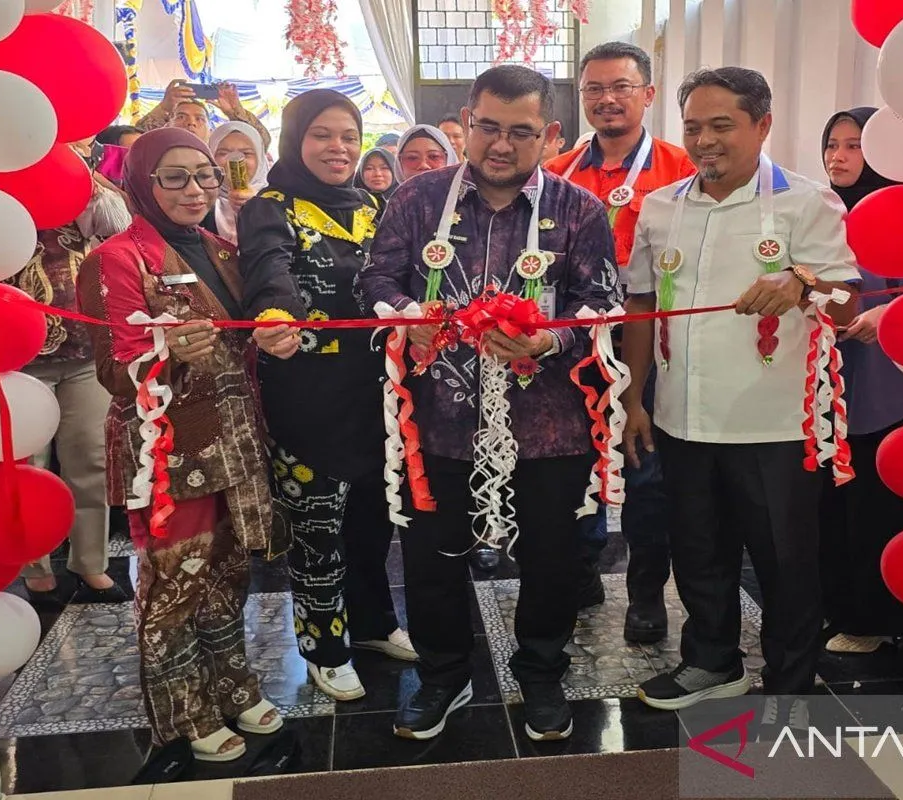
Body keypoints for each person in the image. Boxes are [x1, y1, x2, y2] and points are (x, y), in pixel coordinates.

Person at [359, 64, 620, 743]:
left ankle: (541, 672)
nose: (501, 145)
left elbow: (602, 301)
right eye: (489, 127)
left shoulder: (579, 210)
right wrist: (406, 313)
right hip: (437, 422)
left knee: (552, 559)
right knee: (431, 558)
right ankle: (445, 675)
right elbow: (376, 278)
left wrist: (551, 340)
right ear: (468, 125)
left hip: (549, 426)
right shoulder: (419, 199)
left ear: (549, 134)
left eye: (521, 132)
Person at [623, 68, 860, 721]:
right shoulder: (662, 206)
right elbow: (641, 304)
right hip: (682, 416)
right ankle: (712, 661)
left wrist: (802, 281)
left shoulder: (807, 202)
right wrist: (634, 399)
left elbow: (847, 303)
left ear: (762, 125)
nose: (705, 140)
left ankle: (791, 681)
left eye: (721, 125)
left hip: (774, 424)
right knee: (698, 548)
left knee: (786, 561)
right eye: (693, 127)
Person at [76, 128, 282, 762]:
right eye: (175, 176)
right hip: (170, 449)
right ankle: (184, 712)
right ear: (142, 181)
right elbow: (113, 372)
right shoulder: (116, 259)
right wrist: (166, 353)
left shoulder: (222, 248)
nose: (194, 189)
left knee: (229, 573)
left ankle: (233, 686)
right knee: (176, 582)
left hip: (236, 440)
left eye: (205, 174)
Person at [237, 90, 417, 703]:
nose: (338, 148)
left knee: (372, 519)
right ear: (295, 140)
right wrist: (276, 317)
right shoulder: (269, 208)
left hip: (376, 392)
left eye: (348, 136)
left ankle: (372, 624)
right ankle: (324, 647)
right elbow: (269, 270)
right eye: (321, 135)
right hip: (307, 393)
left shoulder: (374, 205)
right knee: (317, 526)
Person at [545, 42, 695, 639]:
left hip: (651, 345)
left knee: (645, 470)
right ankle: (580, 572)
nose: (607, 99)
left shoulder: (681, 168)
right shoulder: (556, 173)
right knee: (571, 464)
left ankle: (646, 594)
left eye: (621, 87)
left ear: (647, 94)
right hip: (572, 348)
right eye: (594, 89)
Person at [818, 107, 903, 655]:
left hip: (886, 385)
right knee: (835, 501)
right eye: (832, 144)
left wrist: (889, 314)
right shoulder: (823, 211)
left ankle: (877, 619)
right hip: (832, 376)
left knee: (878, 502)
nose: (838, 157)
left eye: (854, 145)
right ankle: (839, 608)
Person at [14, 137, 133, 608]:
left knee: (91, 459)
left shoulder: (77, 181)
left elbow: (120, 226)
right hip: (17, 351)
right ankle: (36, 567)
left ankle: (91, 563)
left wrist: (86, 176)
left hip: (85, 344)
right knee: (29, 465)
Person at [140, 79, 272, 149]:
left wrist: (235, 112)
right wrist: (164, 108)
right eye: (181, 117)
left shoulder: (219, 157)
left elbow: (260, 142)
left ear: (211, 131)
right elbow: (137, 141)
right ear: (168, 124)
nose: (191, 123)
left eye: (199, 119)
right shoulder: (157, 155)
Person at [203, 121, 269, 244]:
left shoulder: (278, 201)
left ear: (260, 159)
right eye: (223, 153)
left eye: (246, 153)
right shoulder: (200, 203)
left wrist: (259, 207)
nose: (235, 160)